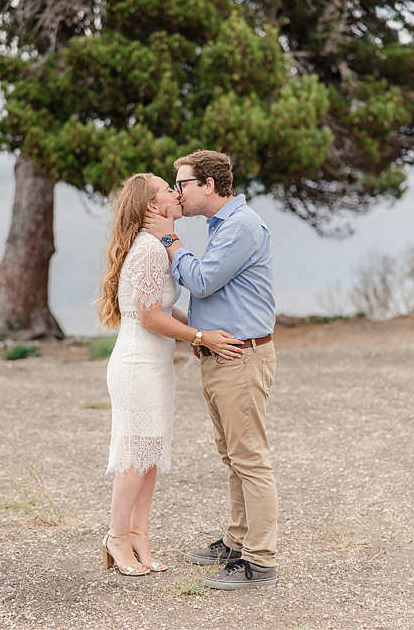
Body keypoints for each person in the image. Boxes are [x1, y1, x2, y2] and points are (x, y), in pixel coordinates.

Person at [97, 173, 244, 577]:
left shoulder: (156, 247)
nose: (177, 194)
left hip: (155, 364)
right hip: (137, 364)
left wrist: (196, 332)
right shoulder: (147, 250)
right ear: (151, 207)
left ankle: (139, 535)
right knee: (135, 456)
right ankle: (116, 537)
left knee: (150, 455)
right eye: (168, 190)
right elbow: (147, 317)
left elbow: (161, 309)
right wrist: (201, 336)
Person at [144, 149, 278, 590]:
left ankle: (258, 562)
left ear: (208, 185)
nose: (177, 192)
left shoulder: (239, 226)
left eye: (181, 184)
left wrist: (169, 239)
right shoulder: (224, 225)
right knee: (233, 457)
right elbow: (211, 292)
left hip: (241, 357)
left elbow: (201, 281)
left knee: (250, 460)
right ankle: (237, 542)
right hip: (222, 356)